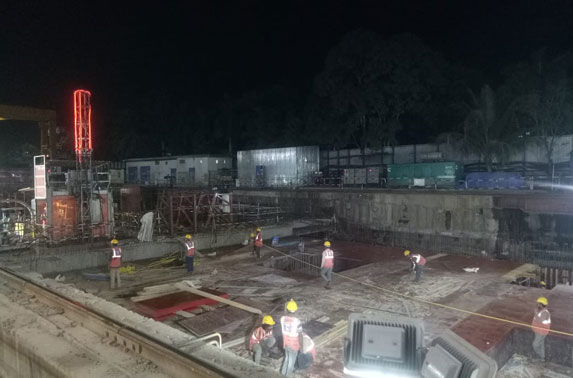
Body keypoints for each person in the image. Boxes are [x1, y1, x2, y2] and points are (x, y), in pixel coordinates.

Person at [280, 299, 303, 376]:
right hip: (294, 345)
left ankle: (281, 375)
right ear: (296, 310)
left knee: (286, 359)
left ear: (287, 309)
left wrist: (288, 304)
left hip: (285, 343)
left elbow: (285, 315)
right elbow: (300, 335)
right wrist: (301, 347)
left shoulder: (282, 319)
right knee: (291, 363)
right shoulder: (297, 321)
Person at [531, 296, 551, 360]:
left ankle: (539, 355)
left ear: (541, 304)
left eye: (538, 303)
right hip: (538, 330)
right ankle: (542, 357)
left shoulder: (545, 312)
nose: (537, 304)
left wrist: (535, 313)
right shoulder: (540, 310)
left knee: (535, 344)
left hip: (541, 332)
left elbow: (540, 320)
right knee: (541, 343)